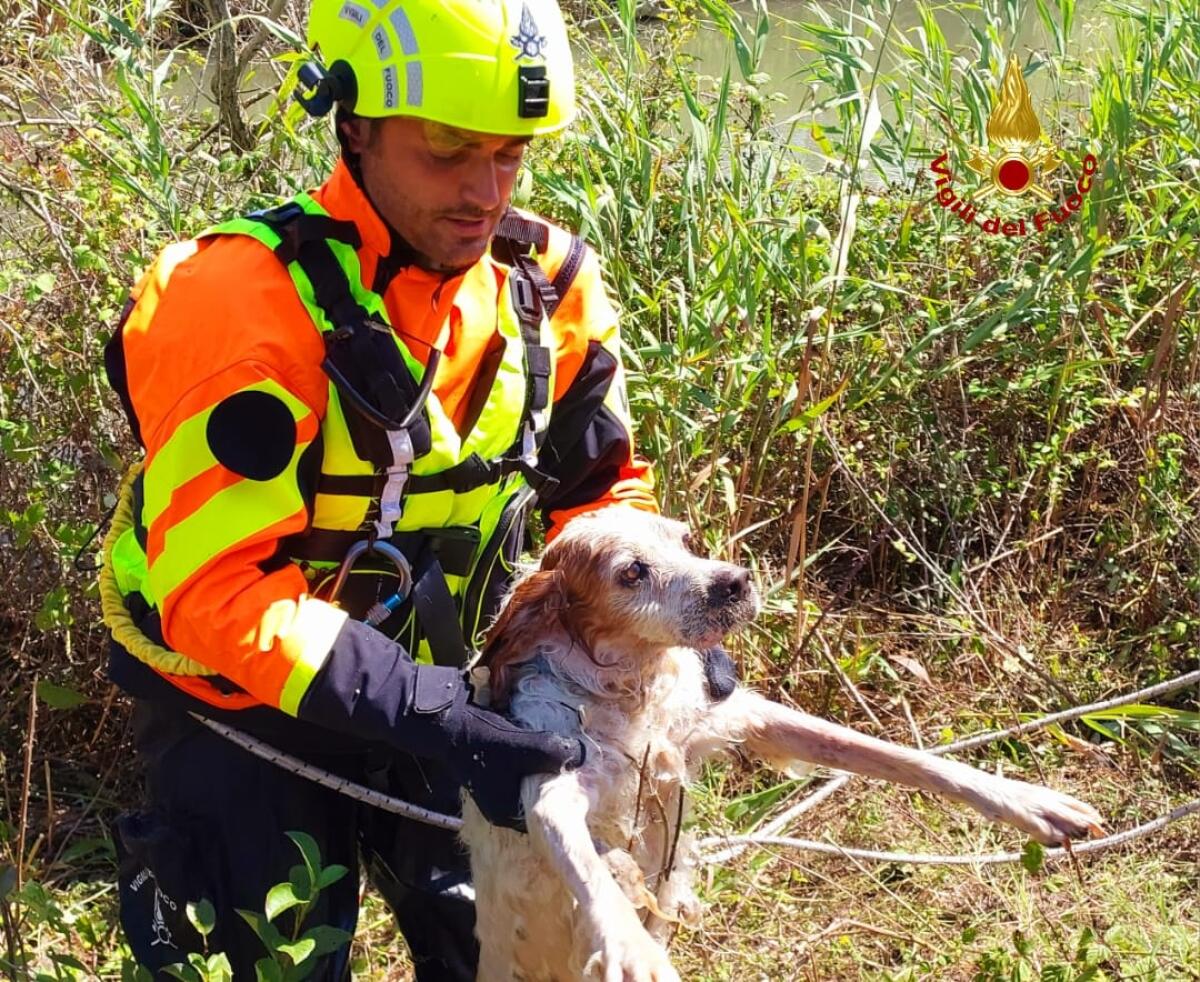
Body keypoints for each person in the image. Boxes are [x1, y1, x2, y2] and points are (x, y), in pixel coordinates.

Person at [99, 0, 734, 975]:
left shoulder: (546, 283)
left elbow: (597, 495)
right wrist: (437, 710)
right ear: (353, 125)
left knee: (508, 947)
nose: (486, 190)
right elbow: (218, 595)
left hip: (467, 694)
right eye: (447, 147)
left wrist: (672, 625)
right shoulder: (237, 302)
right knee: (271, 957)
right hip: (240, 717)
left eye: (511, 151)